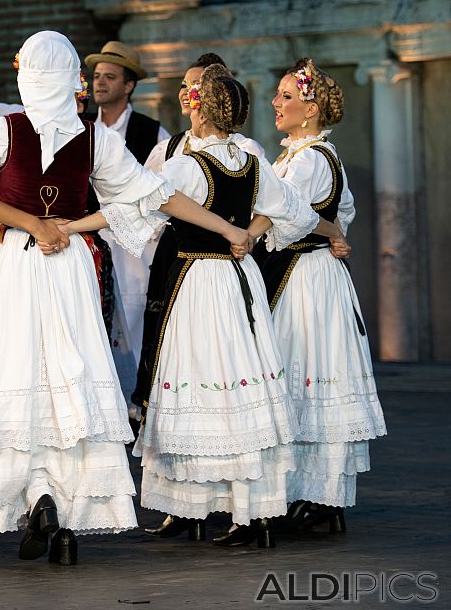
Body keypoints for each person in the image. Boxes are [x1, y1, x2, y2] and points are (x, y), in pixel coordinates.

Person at [0, 31, 252, 565]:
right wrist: (225, 228)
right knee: (72, 373)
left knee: (23, 373)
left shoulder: (1, 130)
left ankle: (35, 496)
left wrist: (30, 224)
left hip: (19, 259)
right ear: (73, 80)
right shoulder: (96, 138)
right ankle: (66, 515)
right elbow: (149, 196)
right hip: (70, 259)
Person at [134, 66, 345, 548]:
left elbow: (150, 196)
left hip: (198, 281)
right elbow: (287, 204)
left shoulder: (189, 163)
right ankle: (252, 510)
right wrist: (248, 232)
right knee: (239, 381)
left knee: (202, 383)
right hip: (238, 280)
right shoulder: (252, 160)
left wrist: (82, 222)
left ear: (202, 108)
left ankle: (203, 506)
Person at [252, 58, 386, 532]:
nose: (276, 102)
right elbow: (339, 213)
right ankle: (309, 493)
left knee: (311, 367)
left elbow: (286, 212)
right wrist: (333, 231)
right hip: (306, 272)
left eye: (286, 96)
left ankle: (323, 496)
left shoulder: (311, 158)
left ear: (309, 110)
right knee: (302, 369)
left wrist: (323, 232)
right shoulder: (295, 156)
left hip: (307, 279)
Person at [133, 55, 266, 418]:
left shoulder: (244, 153)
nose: (188, 95)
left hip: (212, 261)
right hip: (175, 251)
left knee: (216, 342)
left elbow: (142, 198)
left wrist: (244, 235)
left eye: (196, 89)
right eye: (184, 87)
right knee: (167, 333)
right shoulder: (171, 149)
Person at [83, 42, 171, 405]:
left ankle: (138, 402)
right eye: (96, 77)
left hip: (134, 245)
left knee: (134, 317)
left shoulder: (151, 132)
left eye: (109, 77)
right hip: (92, 235)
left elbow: (164, 189)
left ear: (129, 85)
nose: (99, 83)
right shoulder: (82, 128)